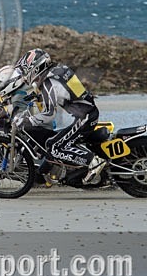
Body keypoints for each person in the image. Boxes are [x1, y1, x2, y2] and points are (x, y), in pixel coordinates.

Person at [12, 48, 105, 185]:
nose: (25, 76)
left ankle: (93, 161)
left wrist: (27, 121)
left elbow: (49, 114)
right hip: (86, 112)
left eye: (26, 71)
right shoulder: (58, 69)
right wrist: (38, 95)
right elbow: (65, 91)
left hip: (85, 117)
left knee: (54, 146)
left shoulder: (49, 82)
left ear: (36, 68)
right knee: (59, 141)